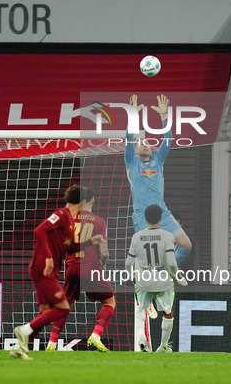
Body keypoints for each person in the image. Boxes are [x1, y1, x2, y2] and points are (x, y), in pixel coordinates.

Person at [11, 185, 105, 360]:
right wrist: (47, 256)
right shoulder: (61, 214)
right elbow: (40, 230)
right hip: (43, 266)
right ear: (83, 201)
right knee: (63, 308)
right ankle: (23, 330)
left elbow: (70, 248)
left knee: (45, 312)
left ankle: (18, 347)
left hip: (52, 268)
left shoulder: (70, 221)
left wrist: (90, 241)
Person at [45, 187, 115, 353]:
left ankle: (51, 344)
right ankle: (96, 336)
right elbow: (104, 253)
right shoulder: (99, 222)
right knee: (109, 301)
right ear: (93, 201)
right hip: (90, 266)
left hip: (72, 266)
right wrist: (103, 264)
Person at [126, 94, 192, 266]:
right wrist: (133, 116)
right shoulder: (132, 162)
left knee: (185, 245)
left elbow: (168, 139)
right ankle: (140, 283)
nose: (145, 144)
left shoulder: (158, 160)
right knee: (146, 258)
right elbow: (128, 138)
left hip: (163, 213)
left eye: (147, 142)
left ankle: (170, 270)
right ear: (134, 151)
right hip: (143, 216)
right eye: (140, 143)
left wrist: (164, 118)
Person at [126, 205, 179, 353]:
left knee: (140, 308)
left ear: (145, 218)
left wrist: (130, 275)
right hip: (163, 280)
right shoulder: (168, 236)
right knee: (168, 311)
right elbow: (171, 261)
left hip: (144, 280)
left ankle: (141, 338)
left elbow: (129, 262)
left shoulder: (137, 237)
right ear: (161, 218)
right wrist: (176, 275)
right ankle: (163, 346)